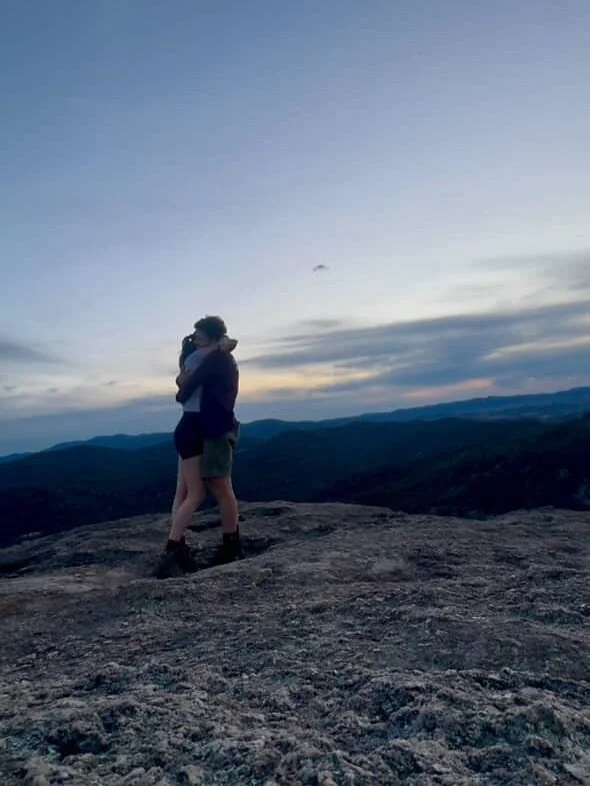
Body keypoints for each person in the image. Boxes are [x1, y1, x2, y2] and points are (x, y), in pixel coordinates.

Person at [156, 315, 241, 578]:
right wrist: (220, 347)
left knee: (185, 491)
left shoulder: (201, 358)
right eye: (195, 337)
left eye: (200, 336)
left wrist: (181, 384)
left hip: (192, 427)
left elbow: (184, 391)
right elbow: (183, 391)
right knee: (203, 492)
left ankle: (179, 546)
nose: (196, 340)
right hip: (205, 428)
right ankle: (176, 547)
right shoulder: (211, 356)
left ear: (213, 337)